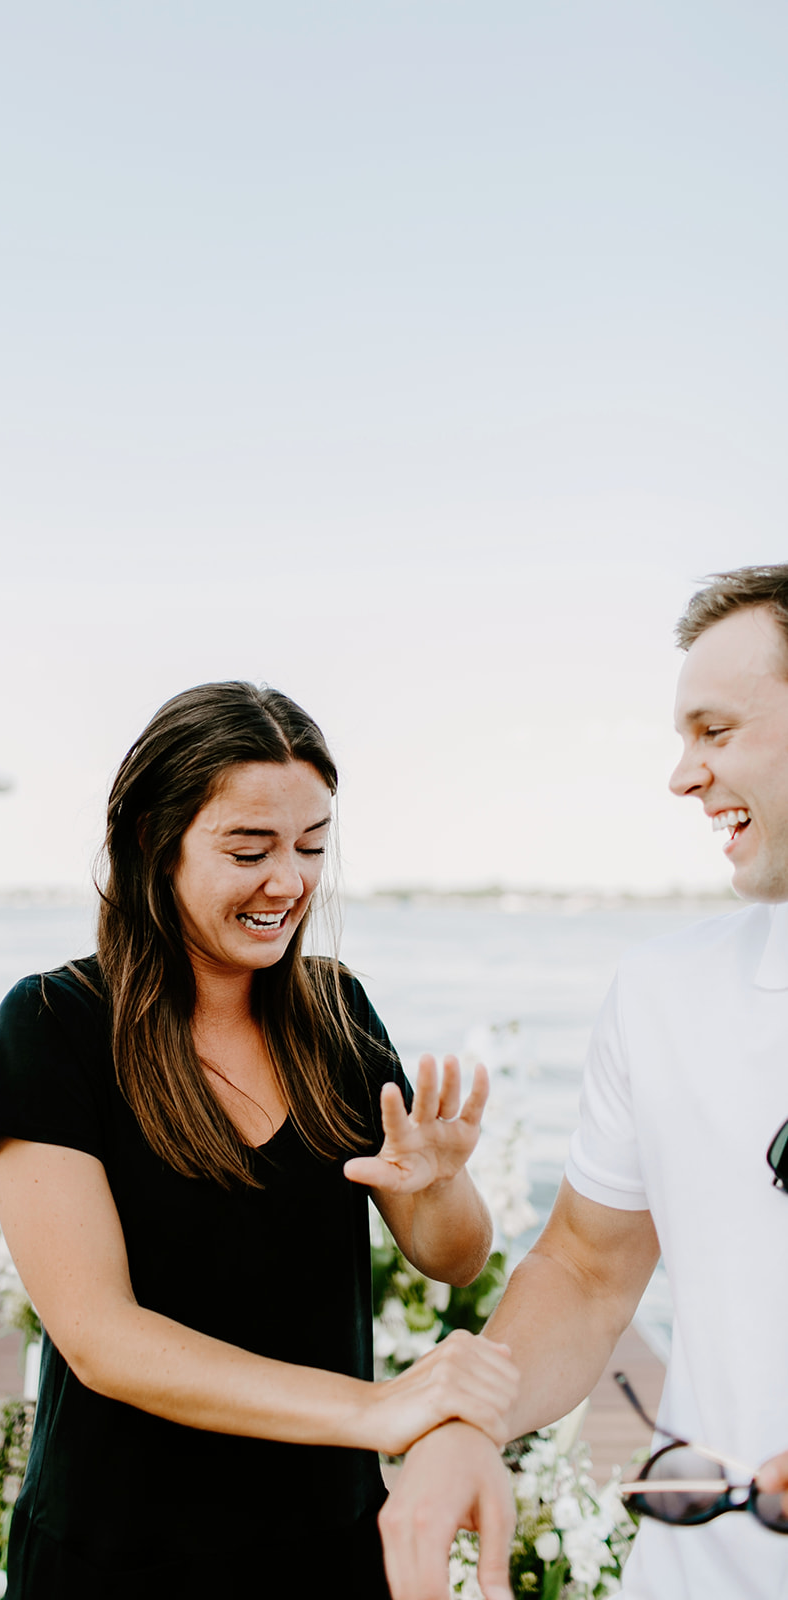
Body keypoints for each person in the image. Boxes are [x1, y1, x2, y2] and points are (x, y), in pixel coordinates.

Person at [0, 682, 518, 1600]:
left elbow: (450, 1258)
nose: (289, 882)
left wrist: (437, 1186)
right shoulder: (53, 1025)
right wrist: (376, 1408)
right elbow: (102, 1336)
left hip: (328, 1544)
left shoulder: (335, 1013)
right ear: (153, 839)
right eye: (249, 850)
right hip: (122, 1554)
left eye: (311, 846)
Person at [377, 565, 788, 1600]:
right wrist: (465, 1419)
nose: (681, 775)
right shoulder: (660, 993)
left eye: (714, 729)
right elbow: (584, 1270)